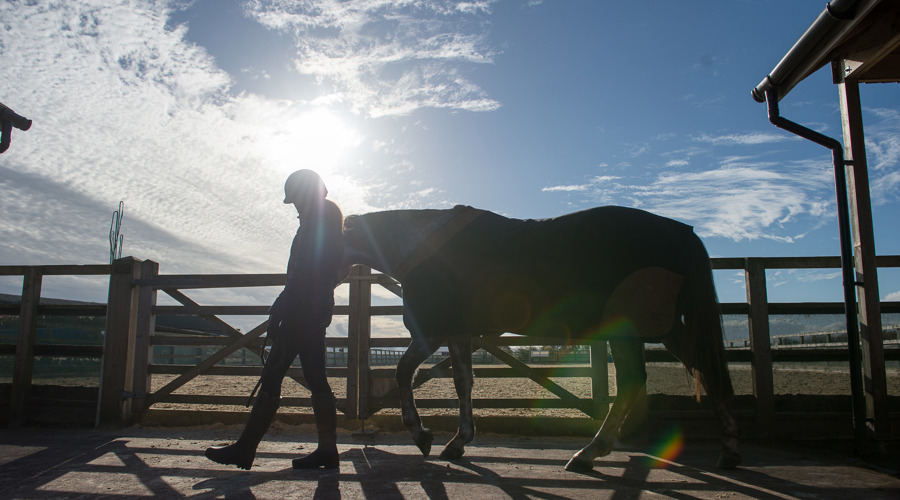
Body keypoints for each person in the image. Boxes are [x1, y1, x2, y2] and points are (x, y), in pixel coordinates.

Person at [205, 169, 345, 470]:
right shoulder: (330, 220)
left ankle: (245, 450)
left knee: (272, 375)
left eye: (294, 200)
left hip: (300, 310)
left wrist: (282, 305)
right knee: (317, 379)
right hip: (317, 309)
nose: (294, 207)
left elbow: (303, 271)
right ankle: (327, 450)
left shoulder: (314, 223)